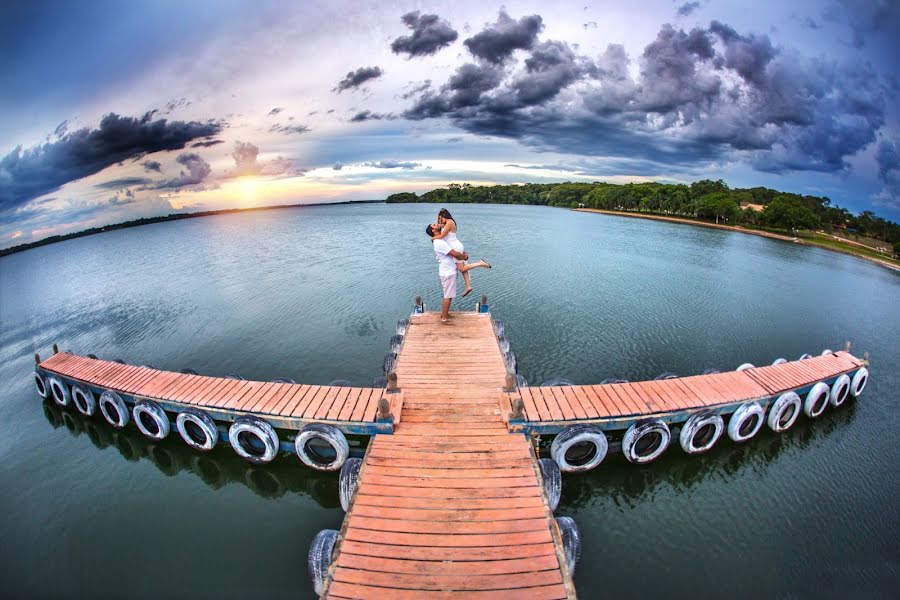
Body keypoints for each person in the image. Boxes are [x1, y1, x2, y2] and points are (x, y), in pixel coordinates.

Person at [430, 208, 491, 297]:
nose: (439, 220)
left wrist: (432, 238)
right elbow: (439, 225)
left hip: (455, 247)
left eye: (440, 218)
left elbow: (442, 235)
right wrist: (438, 215)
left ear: (444, 216)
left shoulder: (450, 222)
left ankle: (480, 263)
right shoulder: (446, 223)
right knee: (464, 268)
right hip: (456, 246)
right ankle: (468, 286)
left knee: (462, 268)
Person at [426, 222, 468, 323]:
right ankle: (444, 319)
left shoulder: (439, 239)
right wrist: (464, 257)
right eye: (434, 225)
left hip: (448, 270)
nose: (437, 224)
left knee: (449, 295)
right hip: (448, 272)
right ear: (433, 230)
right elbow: (454, 253)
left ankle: (445, 314)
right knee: (448, 296)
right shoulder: (439, 242)